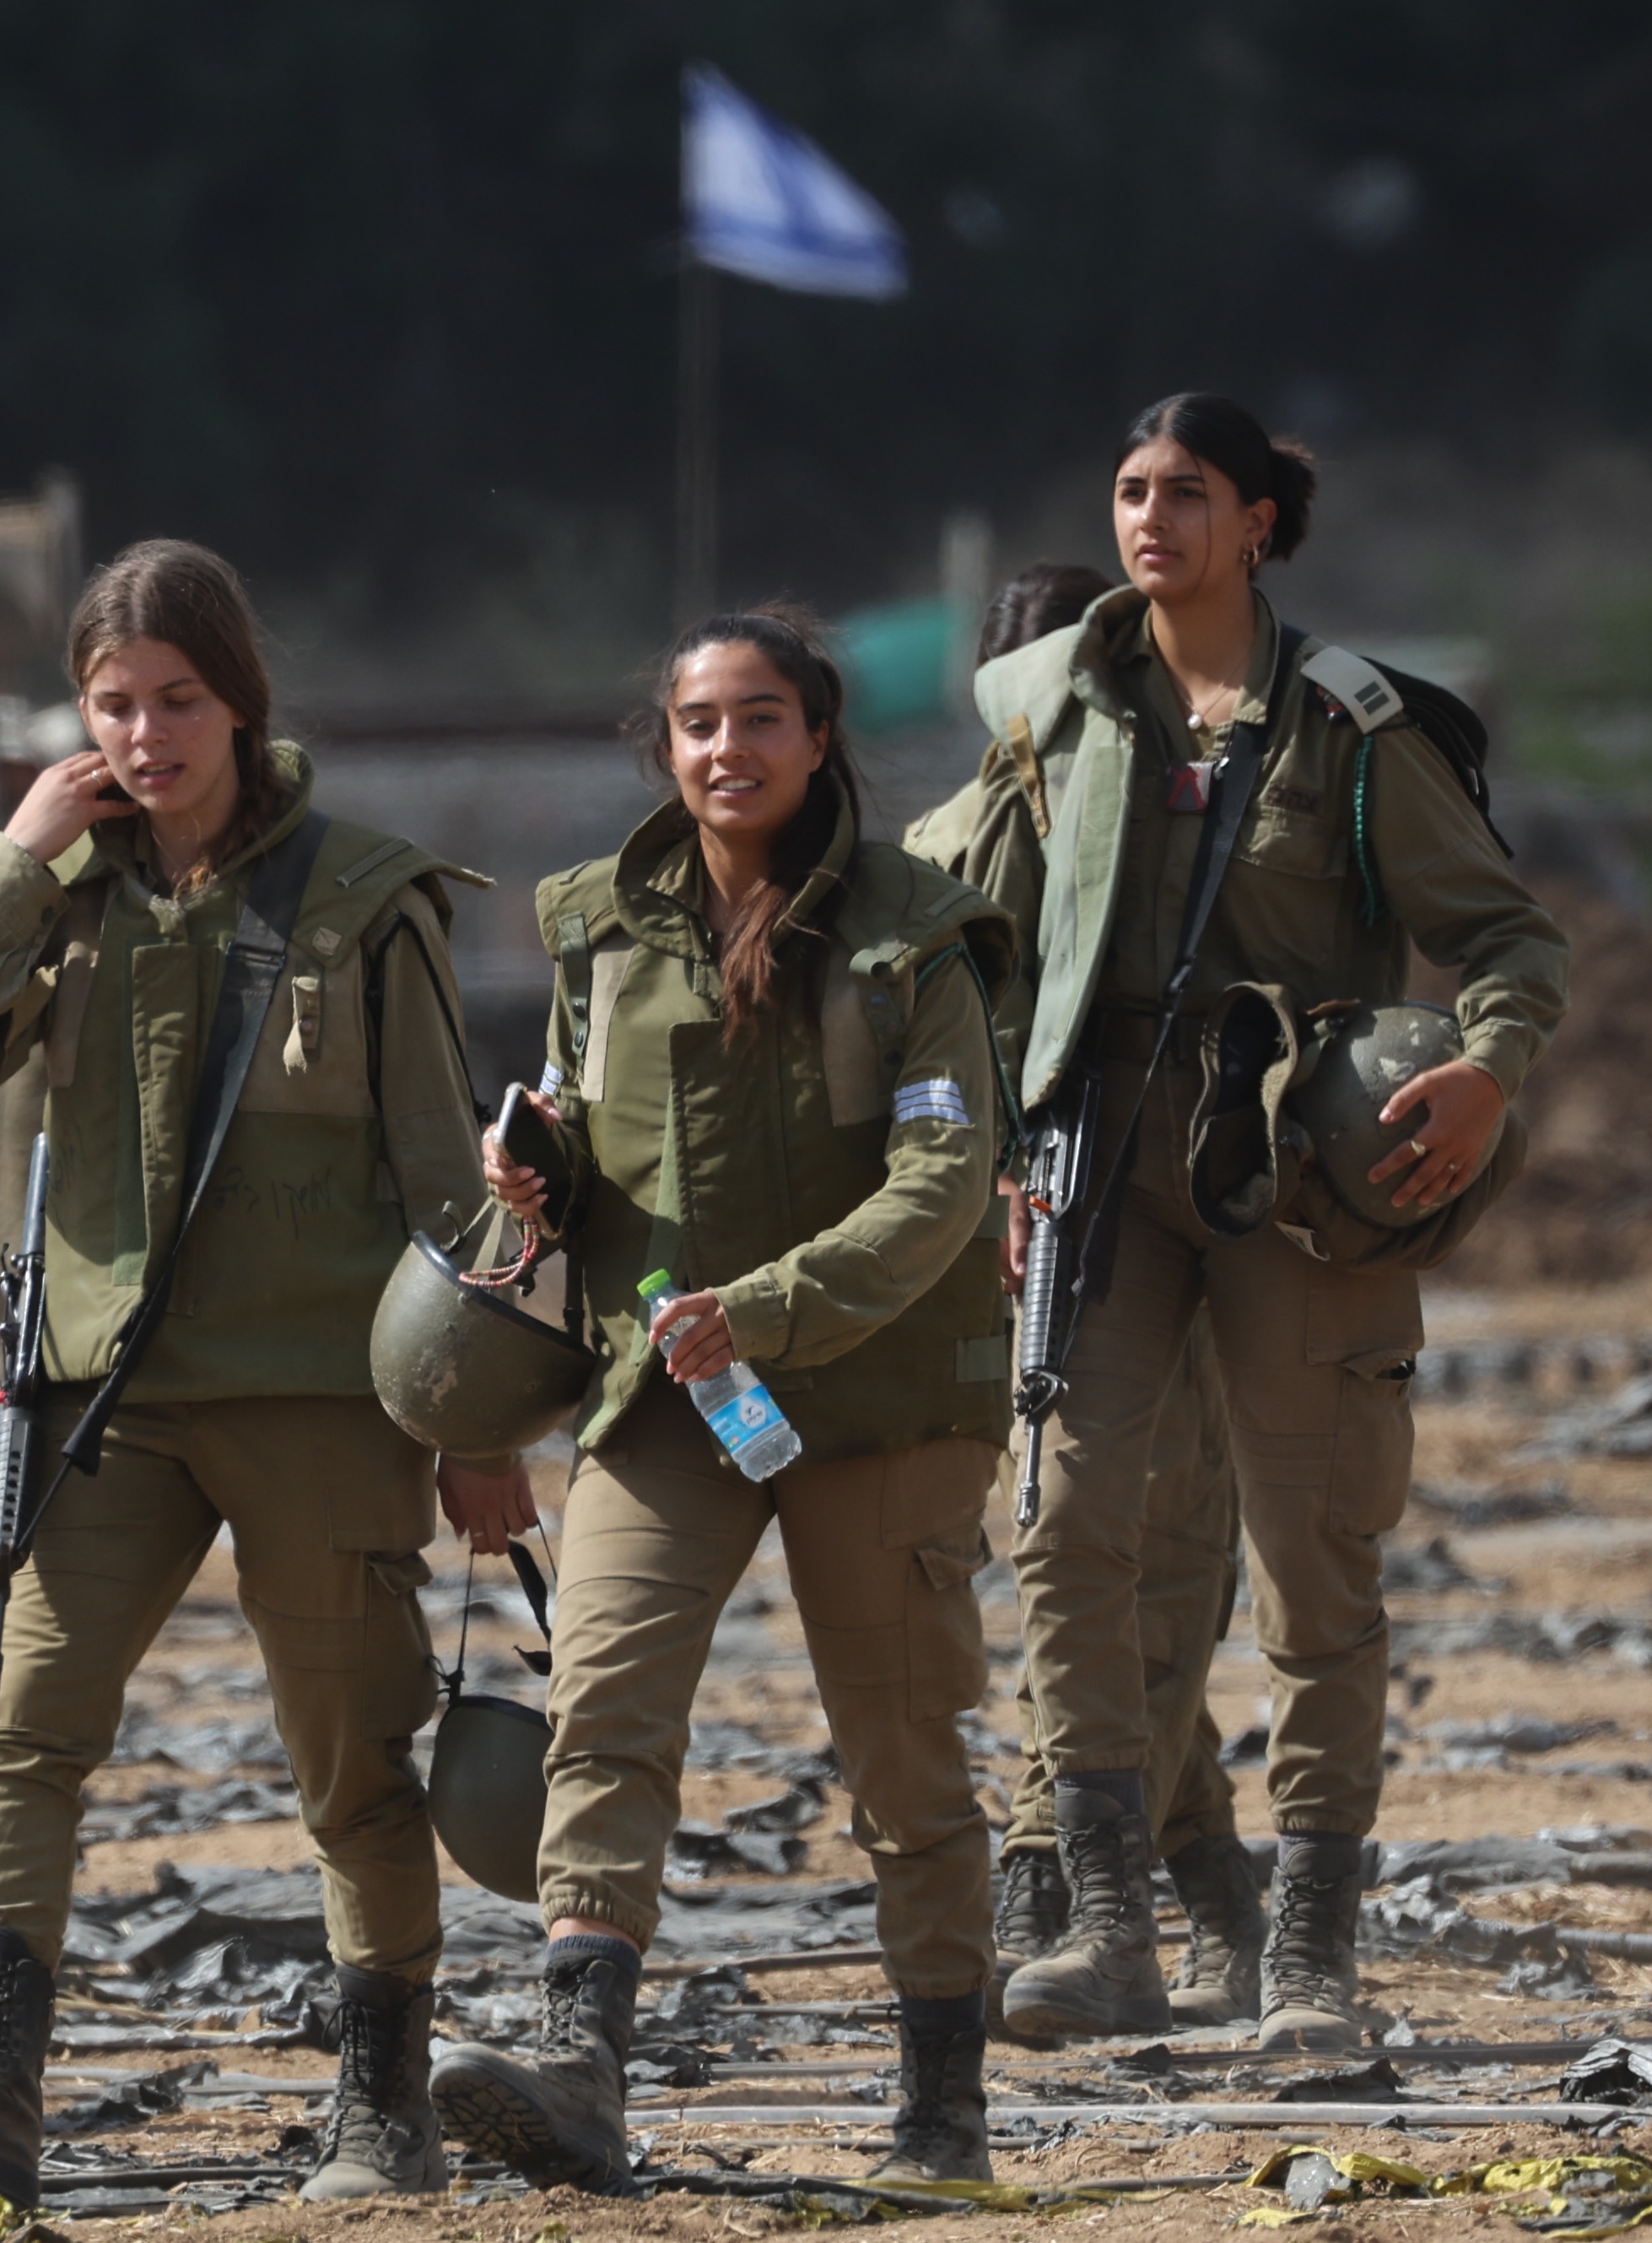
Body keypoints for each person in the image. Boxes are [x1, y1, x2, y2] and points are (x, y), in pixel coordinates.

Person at [0, 538, 505, 2208]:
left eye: (176, 698)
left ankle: (384, 2110)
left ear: (240, 701)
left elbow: (445, 1179)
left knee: (350, 1756)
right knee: (22, 1731)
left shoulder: (363, 899)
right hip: (103, 1399)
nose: (143, 735)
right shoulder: (62, 895)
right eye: (112, 704)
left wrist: (477, 1424)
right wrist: (12, 854)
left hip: (317, 1393)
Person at [956, 397, 1567, 2048]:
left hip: (1294, 1178)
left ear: (1258, 527)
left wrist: (1485, 1073)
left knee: (1312, 1564)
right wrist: (995, 1150)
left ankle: (1307, 1957)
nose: (1148, 518)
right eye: (1128, 489)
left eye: (1187, 492)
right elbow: (981, 951)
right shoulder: (1051, 714)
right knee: (1060, 1523)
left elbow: (1507, 939)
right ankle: (1105, 1926)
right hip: (1101, 1167)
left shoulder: (1349, 728)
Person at [429, 609, 1015, 2190]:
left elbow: (943, 1180)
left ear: (817, 739)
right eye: (698, 721)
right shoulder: (601, 930)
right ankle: (578, 2066)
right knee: (603, 1708)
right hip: (662, 1390)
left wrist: (758, 1307)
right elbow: (584, 1140)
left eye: (761, 717)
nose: (726, 747)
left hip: (879, 1396)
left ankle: (941, 2115)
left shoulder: (915, 937)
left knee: (901, 1755)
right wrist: (536, 1172)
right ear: (665, 744)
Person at [908, 562, 1260, 2022]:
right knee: (1113, 1567)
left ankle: (1122, 1890)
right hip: (1061, 1243)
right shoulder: (981, 844)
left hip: (1104, 1242)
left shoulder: (1185, 826)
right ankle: (1099, 1883)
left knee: (1121, 1563)